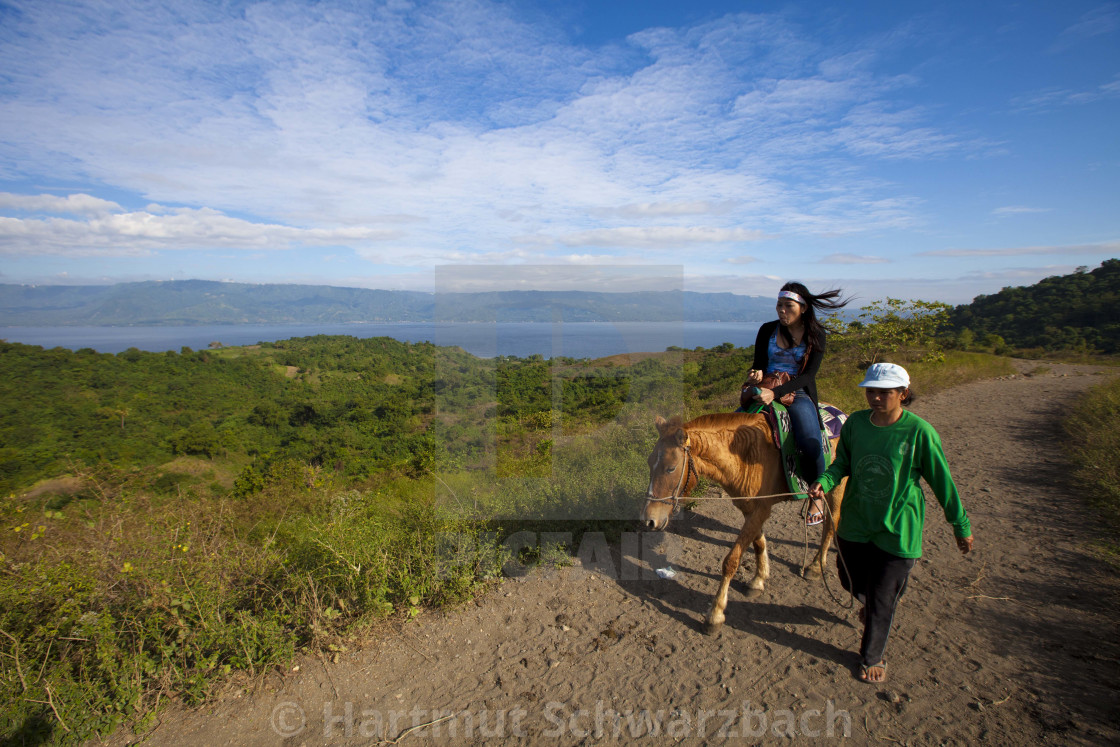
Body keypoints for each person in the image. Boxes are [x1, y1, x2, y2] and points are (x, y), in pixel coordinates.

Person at [807, 362, 974, 684]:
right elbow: (841, 463)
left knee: (882, 599)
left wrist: (961, 526)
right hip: (855, 522)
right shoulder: (855, 423)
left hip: (898, 528)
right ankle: (872, 601)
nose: (876, 398)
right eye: (871, 391)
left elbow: (943, 484)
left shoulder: (919, 432)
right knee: (850, 580)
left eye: (884, 393)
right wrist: (824, 482)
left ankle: (872, 655)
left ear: (903, 394)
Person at [744, 281, 848, 525]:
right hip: (766, 388)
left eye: (787, 305)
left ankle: (816, 494)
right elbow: (759, 363)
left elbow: (808, 375)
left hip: (797, 392)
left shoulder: (816, 334)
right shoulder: (767, 329)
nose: (781, 310)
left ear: (802, 307)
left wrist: (777, 392)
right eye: (779, 305)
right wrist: (755, 374)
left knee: (810, 438)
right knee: (735, 427)